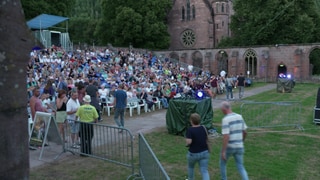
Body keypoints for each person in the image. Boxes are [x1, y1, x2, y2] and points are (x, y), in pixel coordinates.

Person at [220, 101, 249, 180]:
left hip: (230, 146)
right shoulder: (240, 116)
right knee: (241, 166)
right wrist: (241, 141)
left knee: (223, 164)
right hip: (239, 146)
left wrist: (223, 151)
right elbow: (245, 132)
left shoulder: (225, 120)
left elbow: (226, 136)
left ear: (224, 109)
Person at [185, 113, 210, 180]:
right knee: (204, 170)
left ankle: (190, 178)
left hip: (193, 153)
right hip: (204, 152)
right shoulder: (204, 128)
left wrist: (186, 143)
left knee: (191, 167)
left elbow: (189, 142)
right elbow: (207, 139)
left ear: (191, 121)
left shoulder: (190, 130)